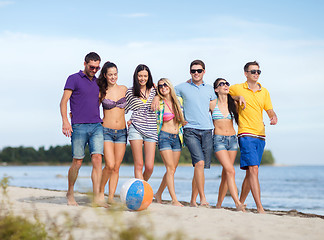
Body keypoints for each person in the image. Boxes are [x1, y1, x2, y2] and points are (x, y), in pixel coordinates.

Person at [229, 61, 278, 213]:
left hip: (261, 135)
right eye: (253, 71)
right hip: (246, 133)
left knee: (251, 172)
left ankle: (240, 204)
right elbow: (220, 92)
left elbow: (269, 109)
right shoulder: (237, 87)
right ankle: (259, 207)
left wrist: (273, 116)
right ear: (246, 73)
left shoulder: (265, 91)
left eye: (258, 71)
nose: (256, 74)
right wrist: (237, 97)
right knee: (254, 169)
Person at [60, 52, 104, 206]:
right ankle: (70, 192)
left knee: (98, 159)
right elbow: (63, 102)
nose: (94, 70)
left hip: (97, 126)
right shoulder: (73, 78)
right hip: (78, 126)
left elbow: (96, 102)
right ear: (84, 63)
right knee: (77, 162)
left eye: (97, 67)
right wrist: (66, 121)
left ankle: (97, 197)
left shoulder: (99, 82)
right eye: (92, 67)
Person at [174, 60, 217, 207]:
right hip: (190, 130)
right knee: (199, 163)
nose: (196, 73)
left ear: (204, 71)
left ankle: (193, 200)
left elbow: (214, 107)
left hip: (207, 130)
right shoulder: (181, 87)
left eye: (199, 70)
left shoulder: (210, 89)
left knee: (200, 167)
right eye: (193, 71)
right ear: (190, 72)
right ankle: (203, 198)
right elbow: (165, 91)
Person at [210, 78, 246, 211]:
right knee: (231, 170)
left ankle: (218, 205)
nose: (225, 85)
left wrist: (239, 96)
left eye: (227, 84)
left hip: (232, 140)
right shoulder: (212, 104)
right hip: (219, 140)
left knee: (226, 174)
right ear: (216, 89)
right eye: (222, 84)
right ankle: (237, 203)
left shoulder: (233, 104)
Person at [97, 61, 127, 204]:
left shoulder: (124, 89)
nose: (113, 77)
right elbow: (91, 108)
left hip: (122, 132)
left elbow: (140, 99)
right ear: (105, 75)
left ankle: (110, 198)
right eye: (110, 74)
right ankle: (100, 192)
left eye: (115, 74)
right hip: (106, 131)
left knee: (116, 167)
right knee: (109, 164)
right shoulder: (101, 91)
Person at [154, 78, 186, 207]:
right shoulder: (159, 102)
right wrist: (156, 96)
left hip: (177, 137)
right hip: (164, 137)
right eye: (160, 86)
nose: (163, 87)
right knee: (170, 168)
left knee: (172, 169)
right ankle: (174, 199)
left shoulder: (179, 100)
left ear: (170, 86)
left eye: (165, 84)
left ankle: (158, 193)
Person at [125, 64, 157, 181]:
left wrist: (157, 96)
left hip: (151, 129)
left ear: (149, 77)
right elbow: (123, 109)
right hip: (135, 128)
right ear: (136, 76)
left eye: (145, 76)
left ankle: (139, 187)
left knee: (149, 167)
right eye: (140, 76)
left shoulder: (155, 91)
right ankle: (141, 194)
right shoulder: (130, 91)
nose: (142, 78)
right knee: (139, 164)